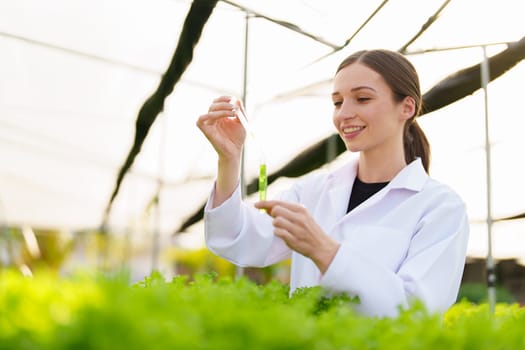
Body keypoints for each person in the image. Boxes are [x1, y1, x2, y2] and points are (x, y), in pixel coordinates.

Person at [196, 49, 469, 317]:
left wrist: (323, 250)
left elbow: (415, 311)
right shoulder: (312, 192)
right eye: (338, 102)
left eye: (362, 99)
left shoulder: (440, 207)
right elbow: (236, 240)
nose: (344, 114)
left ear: (407, 107)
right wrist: (229, 160)